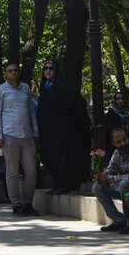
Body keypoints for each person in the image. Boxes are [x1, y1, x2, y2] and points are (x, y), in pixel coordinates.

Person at [35, 59, 90, 195]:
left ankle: (65, 184)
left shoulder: (62, 84)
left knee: (63, 156)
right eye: (45, 68)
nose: (47, 71)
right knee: (51, 156)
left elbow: (74, 99)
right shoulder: (45, 86)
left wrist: (63, 111)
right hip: (49, 130)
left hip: (62, 129)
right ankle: (57, 183)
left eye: (51, 68)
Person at [0, 61, 38, 217]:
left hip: (27, 135)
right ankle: (16, 204)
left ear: (18, 72)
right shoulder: (0, 91)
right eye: (10, 71)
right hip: (9, 135)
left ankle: (27, 203)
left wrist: (36, 132)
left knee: (31, 170)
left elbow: (32, 112)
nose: (13, 73)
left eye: (15, 70)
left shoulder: (25, 89)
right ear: (6, 73)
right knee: (12, 171)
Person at [93, 128, 129, 233]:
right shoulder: (117, 153)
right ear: (113, 143)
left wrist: (109, 178)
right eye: (118, 142)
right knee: (97, 187)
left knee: (125, 184)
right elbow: (110, 171)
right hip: (126, 190)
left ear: (128, 138)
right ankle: (119, 220)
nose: (123, 143)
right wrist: (101, 178)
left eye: (124, 139)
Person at [102, 90, 129, 154]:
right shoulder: (110, 114)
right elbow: (109, 130)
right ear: (115, 100)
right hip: (115, 146)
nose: (120, 101)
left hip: (128, 143)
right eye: (118, 99)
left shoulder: (127, 112)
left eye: (122, 98)